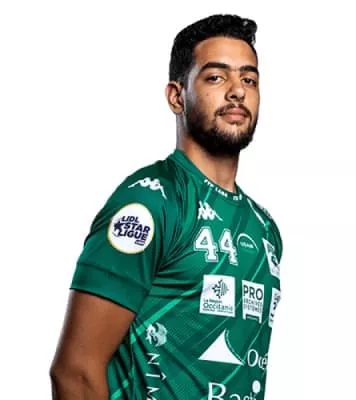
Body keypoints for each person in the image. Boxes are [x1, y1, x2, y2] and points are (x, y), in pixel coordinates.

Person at [50, 13, 283, 400]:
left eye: (249, 80)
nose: (237, 92)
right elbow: (75, 372)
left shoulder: (264, 229)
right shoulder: (149, 202)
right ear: (177, 96)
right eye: (216, 77)